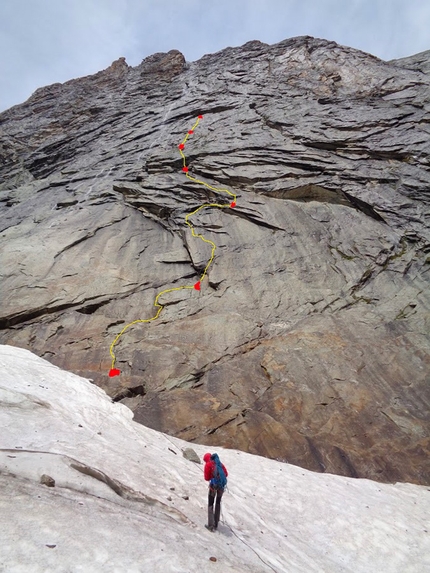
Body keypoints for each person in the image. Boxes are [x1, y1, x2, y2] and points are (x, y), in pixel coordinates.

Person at [203, 452, 228, 532]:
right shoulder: (219, 463)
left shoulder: (208, 465)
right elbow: (226, 474)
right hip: (221, 487)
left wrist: (212, 477)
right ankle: (216, 523)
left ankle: (211, 525)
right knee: (218, 502)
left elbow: (206, 478)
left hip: (213, 487)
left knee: (211, 504)